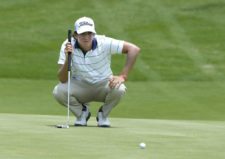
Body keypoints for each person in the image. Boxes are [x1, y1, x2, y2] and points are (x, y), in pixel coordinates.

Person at [53, 16, 140, 127]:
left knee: (120, 88)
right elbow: (62, 78)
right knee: (58, 91)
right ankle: (82, 114)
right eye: (83, 34)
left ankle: (103, 115)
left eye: (90, 33)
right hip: (81, 86)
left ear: (94, 33)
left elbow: (134, 49)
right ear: (75, 35)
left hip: (103, 84)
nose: (87, 37)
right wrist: (67, 57)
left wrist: (123, 76)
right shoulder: (67, 45)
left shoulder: (104, 42)